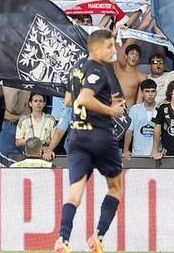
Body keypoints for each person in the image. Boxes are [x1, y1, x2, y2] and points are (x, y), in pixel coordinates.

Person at [54, 28, 125, 253]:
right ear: (95, 48)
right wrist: (111, 111)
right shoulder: (99, 69)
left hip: (76, 137)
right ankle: (98, 237)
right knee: (115, 187)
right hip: (100, 135)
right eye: (109, 46)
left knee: (75, 192)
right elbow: (84, 99)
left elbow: (68, 101)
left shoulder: (76, 68)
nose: (113, 50)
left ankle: (63, 240)